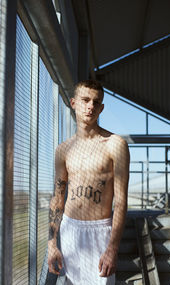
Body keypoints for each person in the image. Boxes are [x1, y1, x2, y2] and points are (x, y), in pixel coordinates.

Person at [48, 80, 130, 285]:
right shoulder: (63, 150)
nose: (90, 106)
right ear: (73, 103)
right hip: (70, 230)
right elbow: (58, 198)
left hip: (100, 231)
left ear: (101, 108)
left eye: (96, 102)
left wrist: (112, 248)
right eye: (85, 100)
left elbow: (121, 202)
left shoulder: (115, 144)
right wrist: (52, 244)